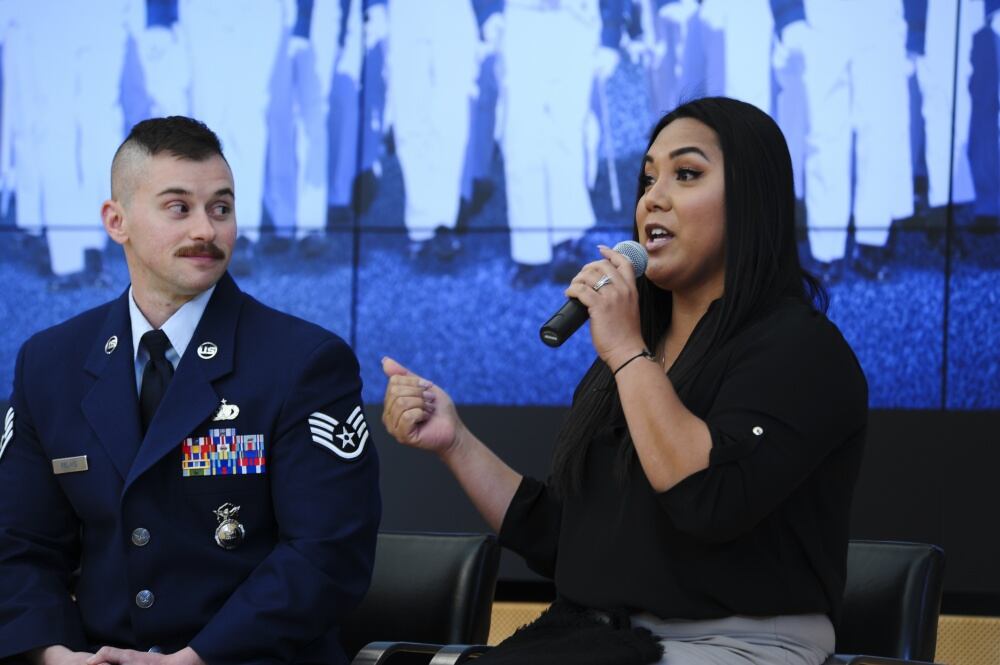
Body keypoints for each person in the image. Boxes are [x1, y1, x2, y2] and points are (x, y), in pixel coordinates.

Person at [383, 97, 867, 664]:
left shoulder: (800, 349)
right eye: (648, 178)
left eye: (686, 174)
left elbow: (706, 499)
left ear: (753, 200)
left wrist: (625, 351)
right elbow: (567, 541)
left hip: (735, 642)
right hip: (598, 639)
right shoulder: (637, 353)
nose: (652, 198)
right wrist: (455, 442)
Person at [0, 117, 381, 665]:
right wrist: (55, 657)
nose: (206, 230)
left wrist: (193, 661)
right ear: (117, 220)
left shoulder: (303, 362)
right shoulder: (50, 363)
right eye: (179, 208)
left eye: (221, 208)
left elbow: (326, 556)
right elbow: (19, 544)